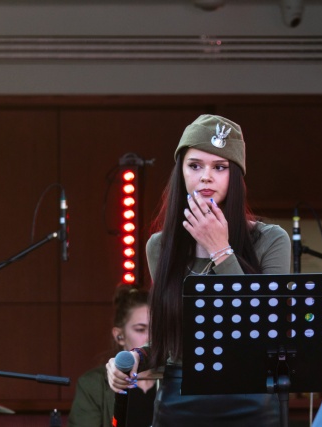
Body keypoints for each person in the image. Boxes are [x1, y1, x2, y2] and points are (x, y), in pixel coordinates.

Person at [105, 114, 291, 426]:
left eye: (219, 167)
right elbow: (173, 342)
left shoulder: (270, 240)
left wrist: (221, 250)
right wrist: (137, 358)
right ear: (181, 172)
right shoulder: (160, 246)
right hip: (179, 396)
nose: (206, 177)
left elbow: (265, 329)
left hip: (250, 395)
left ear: (235, 175)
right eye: (195, 166)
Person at [69, 285, 156, 427]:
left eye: (156, 329)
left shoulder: (174, 379)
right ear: (119, 336)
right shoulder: (93, 384)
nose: (150, 338)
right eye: (141, 329)